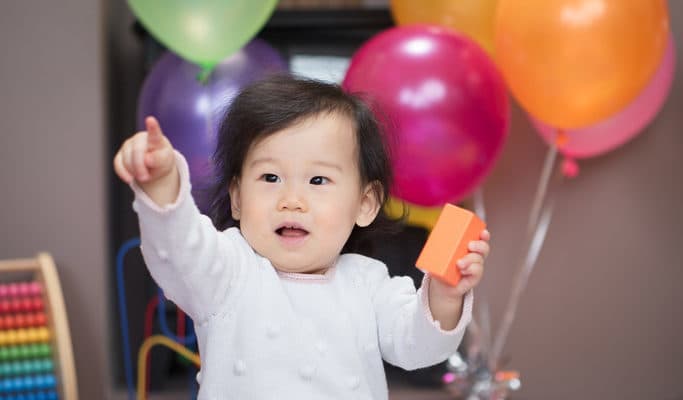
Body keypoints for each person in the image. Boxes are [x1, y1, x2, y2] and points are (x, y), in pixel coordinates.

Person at [114, 74, 490, 400]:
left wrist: (443, 295)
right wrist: (162, 185)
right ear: (238, 198)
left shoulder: (369, 283)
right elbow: (179, 251)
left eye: (318, 180)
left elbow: (418, 347)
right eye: (270, 178)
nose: (291, 201)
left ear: (365, 203)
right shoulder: (228, 271)